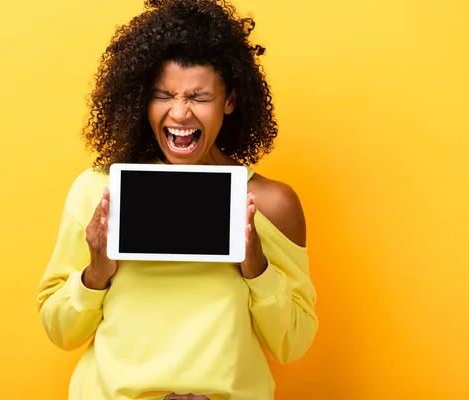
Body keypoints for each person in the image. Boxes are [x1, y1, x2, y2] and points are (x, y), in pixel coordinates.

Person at [36, 0, 318, 399]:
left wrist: (256, 266)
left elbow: (294, 342)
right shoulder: (99, 192)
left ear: (230, 100)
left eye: (199, 97)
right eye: (163, 94)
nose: (180, 113)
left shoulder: (270, 203)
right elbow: (59, 329)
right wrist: (96, 272)